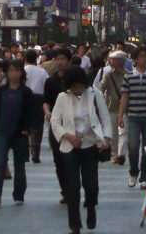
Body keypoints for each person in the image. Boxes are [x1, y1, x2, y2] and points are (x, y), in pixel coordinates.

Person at [50, 66, 112, 234]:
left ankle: (91, 207)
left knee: (91, 185)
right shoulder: (62, 97)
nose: (78, 89)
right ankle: (75, 225)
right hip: (70, 147)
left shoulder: (95, 94)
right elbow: (55, 122)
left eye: (81, 86)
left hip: (90, 144)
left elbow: (105, 117)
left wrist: (106, 137)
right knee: (72, 187)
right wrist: (68, 136)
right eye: (75, 86)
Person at [0, 60, 36, 207]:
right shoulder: (1, 90)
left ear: (21, 73)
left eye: (16, 70)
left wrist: (27, 129)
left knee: (19, 165)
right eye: (10, 71)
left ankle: (19, 194)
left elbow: (30, 113)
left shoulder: (26, 92)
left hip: (20, 133)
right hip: (1, 131)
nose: (13, 74)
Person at [119, 45, 146, 189]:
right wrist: (120, 116)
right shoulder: (129, 77)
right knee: (132, 146)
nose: (145, 59)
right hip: (133, 117)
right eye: (142, 56)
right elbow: (124, 97)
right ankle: (133, 171)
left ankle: (144, 176)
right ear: (135, 60)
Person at [43, 47, 72, 202]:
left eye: (63, 59)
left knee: (71, 158)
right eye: (57, 59)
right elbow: (45, 101)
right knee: (58, 159)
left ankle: (71, 188)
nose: (60, 62)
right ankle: (65, 190)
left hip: (73, 124)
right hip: (56, 125)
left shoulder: (74, 80)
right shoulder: (50, 81)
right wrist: (47, 112)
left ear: (68, 61)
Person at [99, 51, 127, 165]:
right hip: (112, 107)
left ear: (121, 61)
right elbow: (100, 88)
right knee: (114, 133)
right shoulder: (108, 75)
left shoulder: (128, 74)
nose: (111, 62)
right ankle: (115, 154)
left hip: (125, 108)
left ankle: (121, 155)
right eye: (111, 60)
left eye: (114, 60)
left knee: (123, 133)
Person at [23, 48, 49, 164]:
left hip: (24, 100)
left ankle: (24, 154)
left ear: (25, 59)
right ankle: (35, 153)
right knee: (37, 128)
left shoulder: (22, 71)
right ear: (36, 59)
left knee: (24, 126)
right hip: (38, 100)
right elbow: (47, 85)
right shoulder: (42, 71)